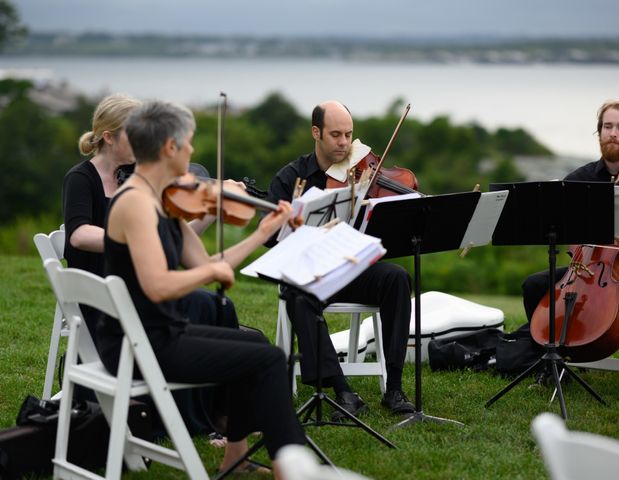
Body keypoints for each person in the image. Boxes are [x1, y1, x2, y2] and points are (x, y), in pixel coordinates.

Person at [96, 100, 306, 475]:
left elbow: (209, 264)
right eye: (188, 143)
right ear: (169, 148)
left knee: (257, 346)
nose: (193, 153)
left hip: (159, 332)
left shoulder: (162, 202)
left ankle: (235, 459)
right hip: (140, 345)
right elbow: (159, 284)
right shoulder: (135, 205)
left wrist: (262, 232)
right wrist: (211, 276)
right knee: (271, 359)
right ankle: (289, 468)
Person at [62, 93, 237, 438]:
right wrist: (135, 237)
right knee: (200, 308)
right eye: (134, 132)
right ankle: (195, 417)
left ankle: (220, 417)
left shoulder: (144, 181)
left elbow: (177, 240)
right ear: (109, 137)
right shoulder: (83, 178)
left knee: (218, 306)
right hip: (106, 294)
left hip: (143, 286)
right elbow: (79, 235)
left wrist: (207, 213)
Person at [265, 100, 416, 420]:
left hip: (352, 269)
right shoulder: (290, 179)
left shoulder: (362, 172)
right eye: (336, 135)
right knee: (297, 294)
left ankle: (395, 387)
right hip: (310, 274)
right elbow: (269, 238)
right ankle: (342, 390)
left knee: (397, 278)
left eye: (349, 134)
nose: (345, 143)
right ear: (316, 133)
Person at [522, 100, 619, 351]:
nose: (613, 133)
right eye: (607, 126)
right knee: (534, 285)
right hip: (593, 266)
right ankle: (550, 362)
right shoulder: (581, 178)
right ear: (599, 132)